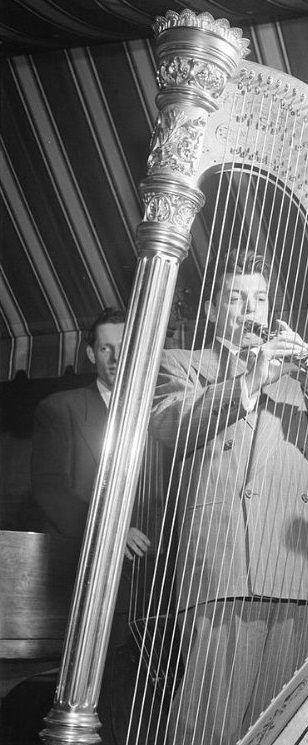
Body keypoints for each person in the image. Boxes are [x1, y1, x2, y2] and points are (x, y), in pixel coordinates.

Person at [149, 249, 308, 745]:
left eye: (260, 297)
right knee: (209, 726)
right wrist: (249, 380)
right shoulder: (184, 363)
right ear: (211, 310)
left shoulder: (299, 376)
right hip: (226, 565)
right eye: (235, 297)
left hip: (299, 569)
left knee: (284, 727)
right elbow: (168, 427)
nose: (250, 308)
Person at [31, 307, 151, 744]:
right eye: (106, 347)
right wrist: (111, 533)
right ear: (90, 353)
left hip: (153, 589)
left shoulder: (160, 411)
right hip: (91, 588)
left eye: (125, 347)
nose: (117, 357)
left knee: (141, 710)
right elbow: (51, 491)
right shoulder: (59, 409)